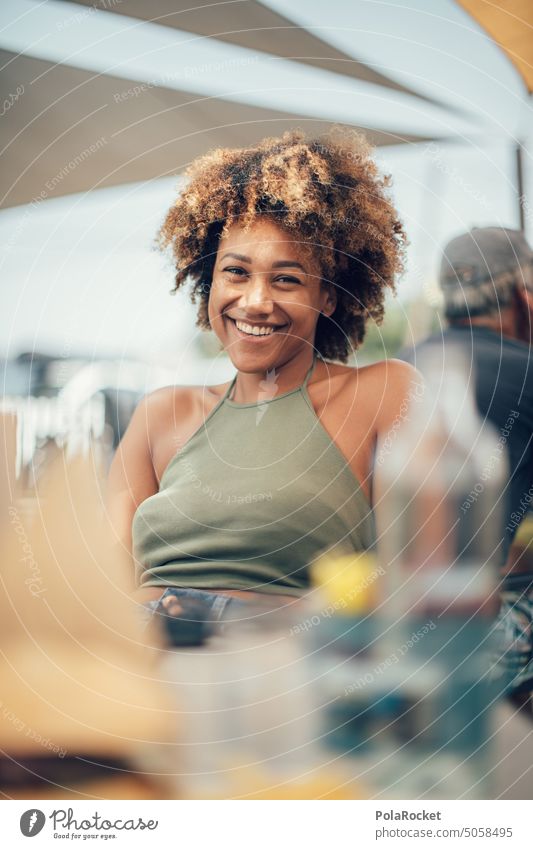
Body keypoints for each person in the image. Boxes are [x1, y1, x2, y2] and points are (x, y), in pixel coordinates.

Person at [107, 128, 420, 623]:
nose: (255, 301)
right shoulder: (159, 414)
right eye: (235, 272)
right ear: (207, 280)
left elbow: (420, 577)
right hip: (149, 656)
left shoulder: (384, 392)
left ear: (329, 298)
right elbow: (101, 584)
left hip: (290, 661)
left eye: (287, 279)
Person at [401, 226, 533, 708]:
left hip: (387, 616)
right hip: (481, 628)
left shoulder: (399, 366)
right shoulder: (528, 371)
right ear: (524, 297)